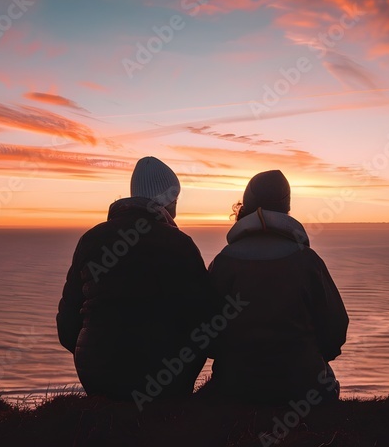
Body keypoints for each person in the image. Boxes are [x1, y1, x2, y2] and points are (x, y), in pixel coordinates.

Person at [56, 157, 210, 401]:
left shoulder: (92, 239)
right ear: (168, 202)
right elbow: (205, 319)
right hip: (166, 376)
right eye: (176, 201)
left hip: (97, 372)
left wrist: (95, 351)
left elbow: (67, 325)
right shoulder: (180, 245)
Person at [203, 170, 349, 404]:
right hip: (302, 388)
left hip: (235, 387)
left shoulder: (225, 261)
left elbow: (205, 332)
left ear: (244, 207)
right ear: (287, 210)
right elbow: (335, 327)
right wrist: (314, 357)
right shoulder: (308, 261)